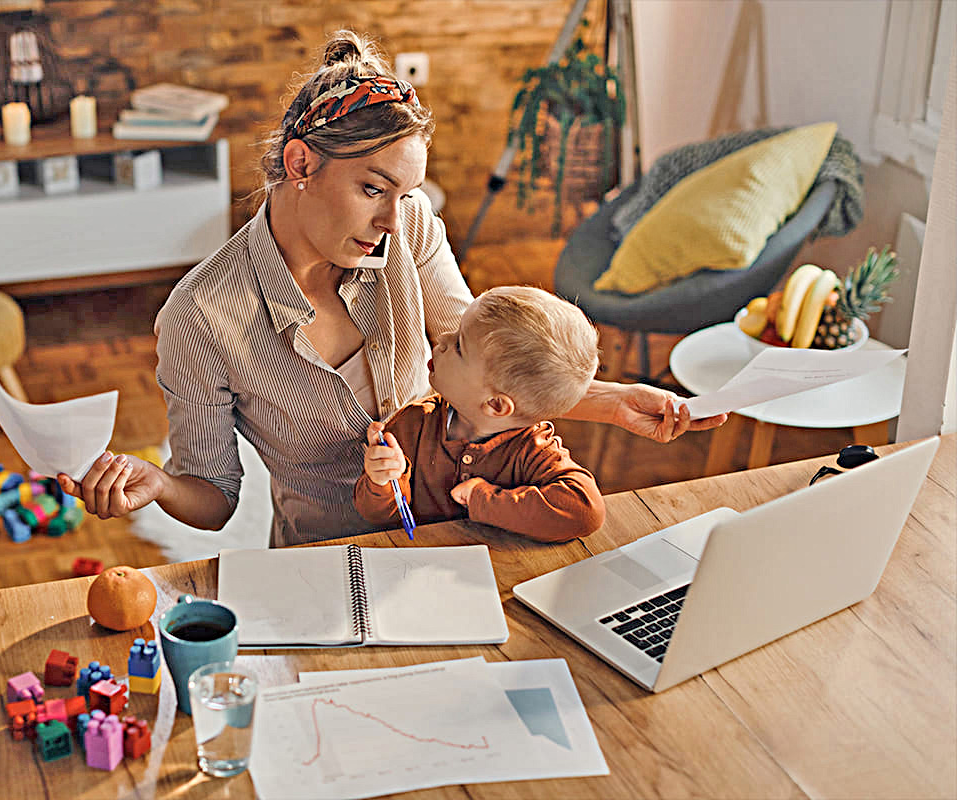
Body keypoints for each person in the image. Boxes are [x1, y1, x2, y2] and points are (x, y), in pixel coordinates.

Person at [57, 30, 725, 547]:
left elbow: (487, 357)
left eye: (403, 193)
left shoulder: (408, 226)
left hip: (458, 540)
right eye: (374, 188)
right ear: (301, 164)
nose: (392, 217)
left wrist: (611, 403)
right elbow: (215, 498)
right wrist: (161, 485)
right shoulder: (201, 317)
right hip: (329, 559)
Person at [356, 285, 605, 541]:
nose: (441, 339)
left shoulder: (535, 449)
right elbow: (377, 516)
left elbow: (586, 511)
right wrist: (381, 482)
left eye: (459, 346)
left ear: (496, 405)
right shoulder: (412, 424)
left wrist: (483, 499)